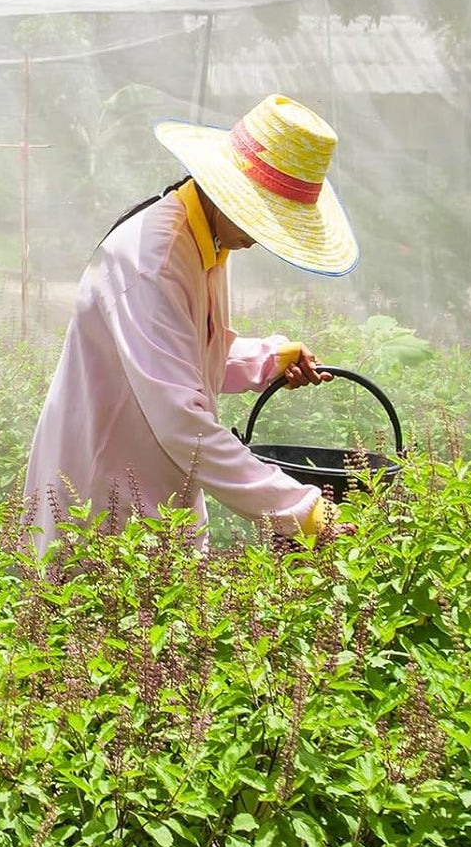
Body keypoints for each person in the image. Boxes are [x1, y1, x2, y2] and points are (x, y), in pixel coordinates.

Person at [23, 93, 361, 556]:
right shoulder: (154, 262)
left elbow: (187, 353)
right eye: (266, 221)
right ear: (230, 194)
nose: (262, 239)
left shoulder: (208, 242)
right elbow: (181, 421)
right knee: (95, 616)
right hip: (100, 502)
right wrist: (306, 512)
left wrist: (271, 360)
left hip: (156, 497)